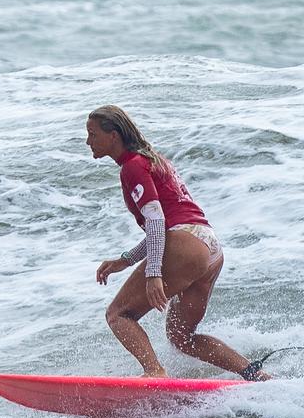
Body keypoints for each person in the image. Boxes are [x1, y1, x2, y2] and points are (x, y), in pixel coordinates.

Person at [86, 105, 269, 380]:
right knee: (182, 337)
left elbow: (158, 223)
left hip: (186, 245)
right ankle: (257, 377)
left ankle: (154, 371)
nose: (88, 141)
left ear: (113, 136)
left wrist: (153, 273)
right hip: (209, 248)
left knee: (118, 315)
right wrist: (125, 260)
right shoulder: (152, 159)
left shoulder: (132, 166)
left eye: (92, 134)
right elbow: (168, 227)